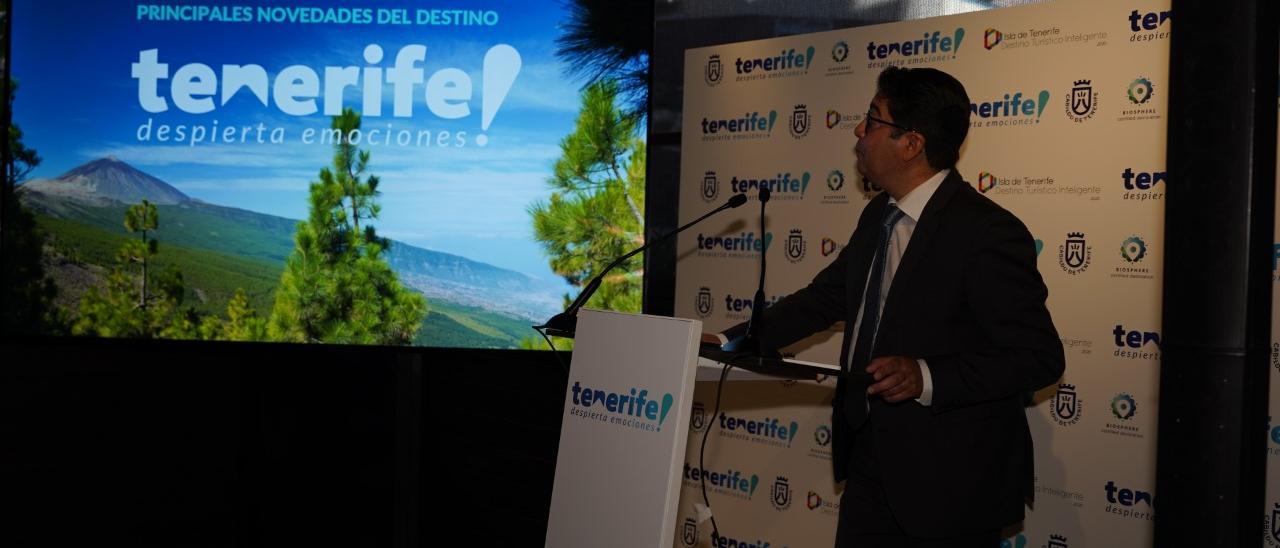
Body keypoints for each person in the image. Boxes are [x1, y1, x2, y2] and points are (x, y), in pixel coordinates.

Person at [715, 66, 1065, 547]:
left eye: (872, 119)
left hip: (949, 483)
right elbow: (824, 299)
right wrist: (727, 339)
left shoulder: (986, 232)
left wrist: (927, 375)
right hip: (869, 461)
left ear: (911, 143)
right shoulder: (879, 213)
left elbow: (1037, 356)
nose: (859, 131)